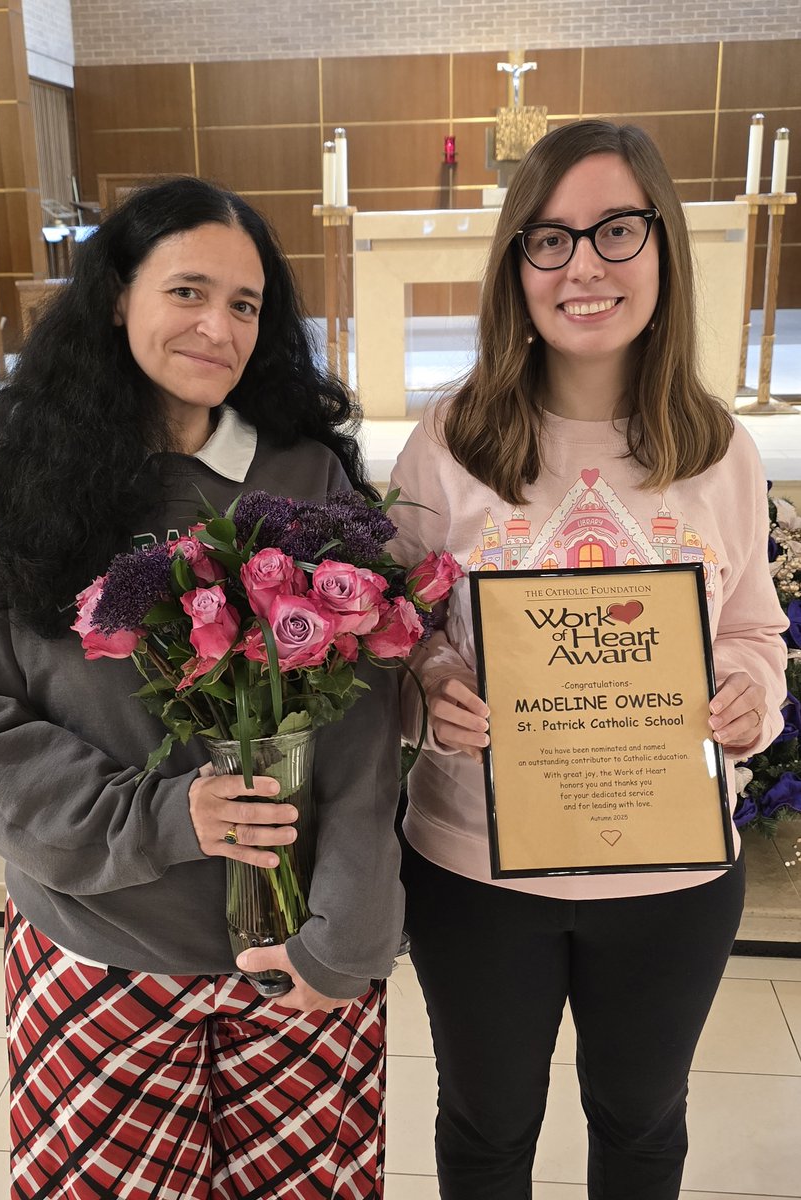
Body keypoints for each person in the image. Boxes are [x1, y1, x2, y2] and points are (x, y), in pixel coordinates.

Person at [0, 177, 403, 1200]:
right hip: (101, 942)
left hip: (297, 953)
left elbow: (367, 712)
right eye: (187, 290)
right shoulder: (19, 486)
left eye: (245, 304)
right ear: (116, 295)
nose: (218, 325)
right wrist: (161, 816)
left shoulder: (301, 476)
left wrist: (354, 930)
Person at [389, 120, 788, 1200]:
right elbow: (396, 627)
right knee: (484, 1125)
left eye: (616, 231)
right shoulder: (448, 441)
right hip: (477, 868)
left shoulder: (718, 450)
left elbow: (750, 623)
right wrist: (429, 684)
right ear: (513, 265)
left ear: (661, 246)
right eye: (548, 239)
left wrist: (751, 694)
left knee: (642, 1120)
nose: (583, 268)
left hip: (670, 869)